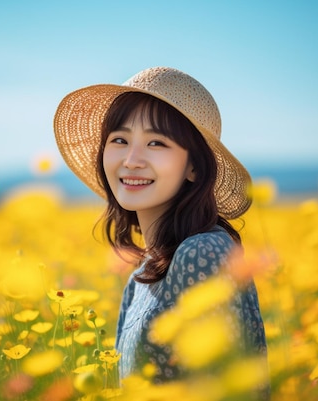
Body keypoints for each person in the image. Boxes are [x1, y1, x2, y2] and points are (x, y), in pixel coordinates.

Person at [53, 66, 268, 397]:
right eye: (120, 140)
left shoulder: (203, 253)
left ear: (194, 166)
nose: (132, 160)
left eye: (156, 142)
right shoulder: (140, 277)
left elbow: (227, 389)